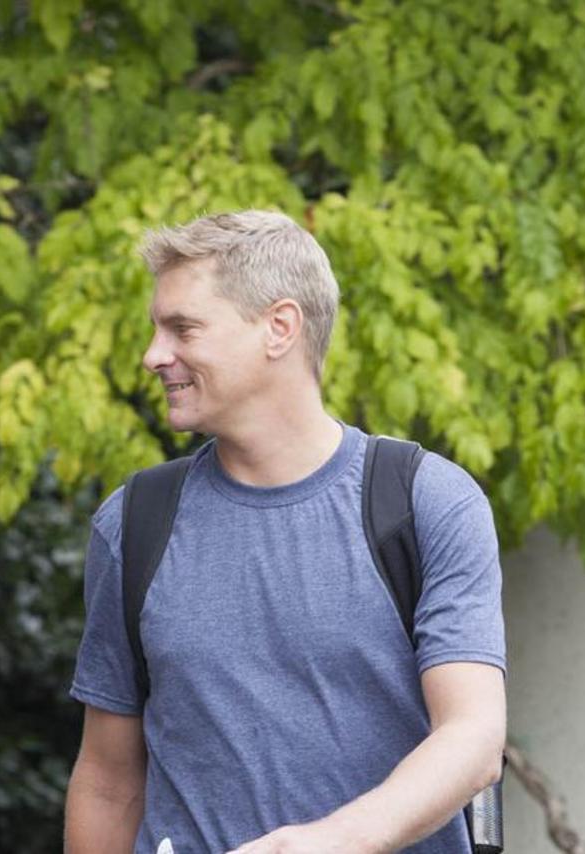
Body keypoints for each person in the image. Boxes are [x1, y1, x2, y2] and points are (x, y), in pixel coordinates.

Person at [64, 211, 506, 853]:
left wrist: (326, 844)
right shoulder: (134, 523)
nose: (154, 355)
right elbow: (108, 780)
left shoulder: (422, 501)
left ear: (279, 328)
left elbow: (472, 739)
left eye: (183, 328)